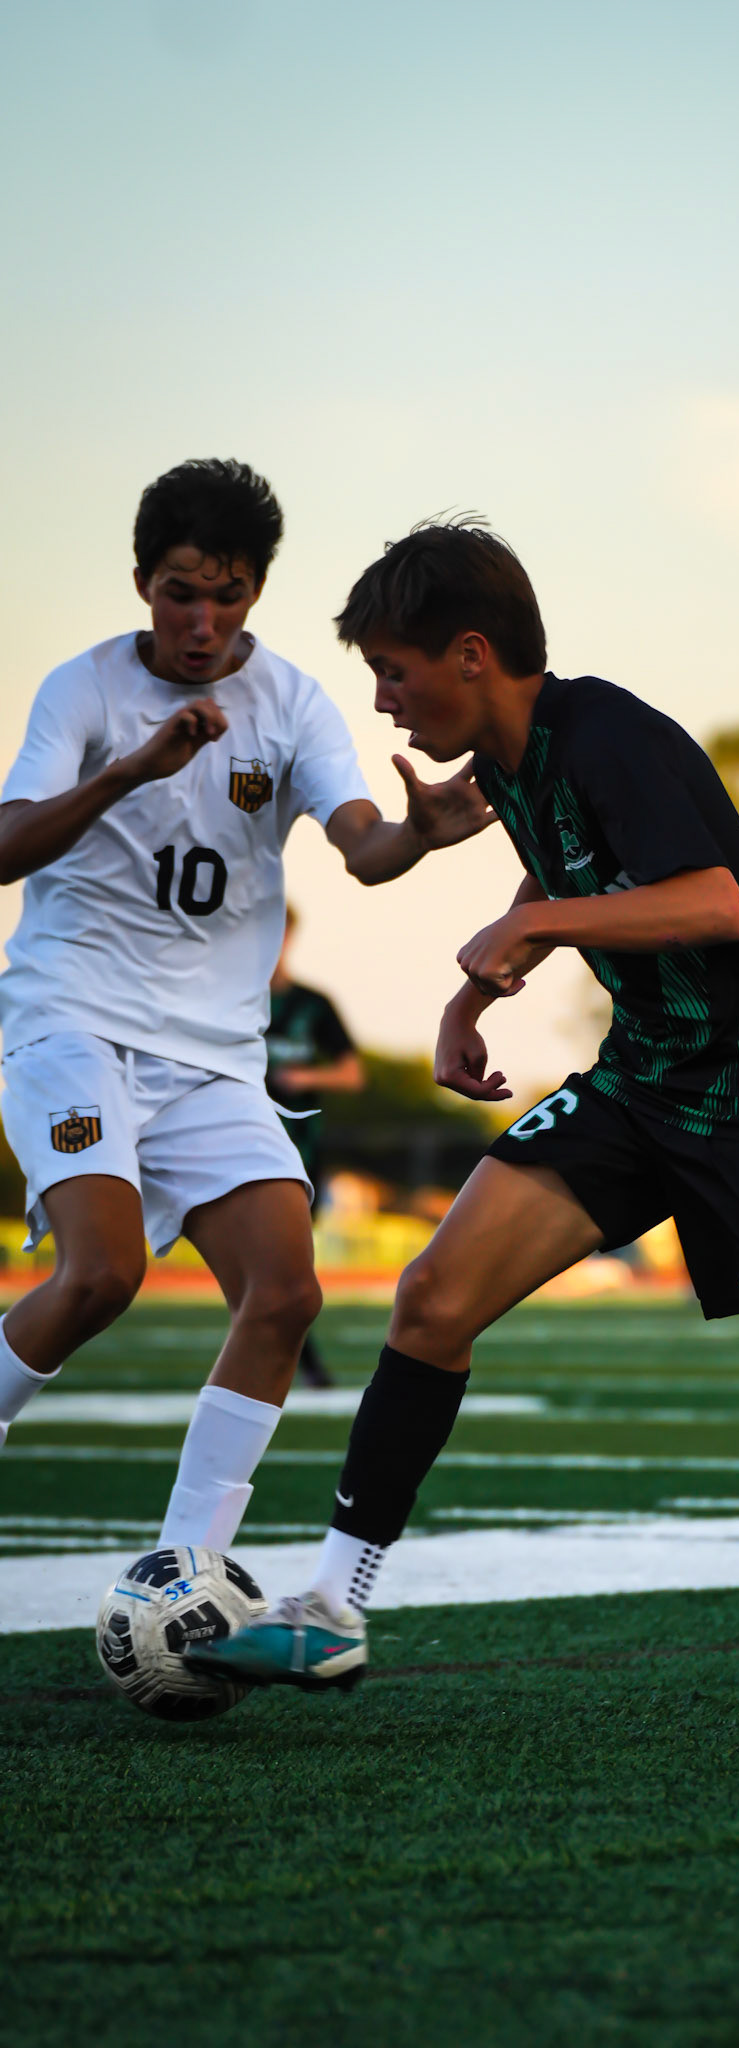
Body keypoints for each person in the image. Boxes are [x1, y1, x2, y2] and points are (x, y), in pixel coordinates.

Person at [194, 519, 739, 1746]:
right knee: (432, 1298)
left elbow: (716, 902)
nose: (383, 700)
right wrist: (471, 998)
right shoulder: (509, 761)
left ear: (472, 654)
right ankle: (332, 1605)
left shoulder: (607, 730)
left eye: (394, 671)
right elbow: (560, 868)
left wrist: (536, 928)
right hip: (644, 1081)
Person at [0, 463, 491, 1559]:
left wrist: (419, 835)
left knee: (284, 1293)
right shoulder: (82, 692)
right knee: (101, 1275)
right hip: (72, 1025)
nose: (202, 621)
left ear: (257, 590)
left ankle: (186, 1567)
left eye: (226, 596)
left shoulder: (294, 702)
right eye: (181, 593)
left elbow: (363, 845)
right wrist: (129, 772)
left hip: (214, 1058)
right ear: (143, 581)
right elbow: (5, 844)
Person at [266, 905, 364, 1388]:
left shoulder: (312, 1004)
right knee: (264, 1264)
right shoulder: (225, 1000)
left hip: (298, 1150)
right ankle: (299, 1361)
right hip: (237, 1147)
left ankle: (296, 1358)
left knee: (289, 1266)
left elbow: (352, 1072)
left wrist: (304, 1077)